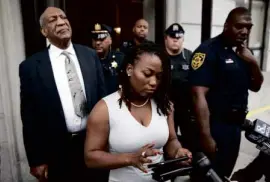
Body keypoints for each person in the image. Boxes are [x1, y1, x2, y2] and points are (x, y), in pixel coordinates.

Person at [19, 7, 106, 182]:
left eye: (63, 17)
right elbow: (29, 117)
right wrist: (36, 159)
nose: (61, 22)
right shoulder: (31, 66)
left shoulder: (90, 56)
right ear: (44, 31)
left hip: (94, 144)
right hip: (57, 151)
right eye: (53, 20)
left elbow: (103, 101)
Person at [84, 43, 192, 182]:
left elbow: (171, 140)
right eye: (147, 74)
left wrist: (178, 152)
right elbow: (91, 158)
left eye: (159, 76)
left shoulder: (164, 105)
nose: (154, 82)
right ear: (129, 69)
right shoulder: (104, 109)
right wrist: (130, 158)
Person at [189, 7, 264, 180]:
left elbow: (256, 86)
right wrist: (206, 136)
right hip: (215, 125)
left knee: (224, 174)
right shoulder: (208, 50)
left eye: (248, 27)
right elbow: (197, 95)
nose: (245, 31)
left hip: (235, 127)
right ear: (226, 26)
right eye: (239, 26)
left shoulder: (245, 53)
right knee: (207, 176)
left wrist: (253, 63)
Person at [164, 23, 195, 151]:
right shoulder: (159, 56)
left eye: (179, 37)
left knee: (191, 141)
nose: (175, 39)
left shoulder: (190, 56)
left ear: (183, 39)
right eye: (172, 37)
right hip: (164, 109)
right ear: (166, 38)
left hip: (186, 109)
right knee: (166, 142)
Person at [91, 23, 124, 95]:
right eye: (95, 39)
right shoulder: (87, 60)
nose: (97, 42)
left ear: (110, 40)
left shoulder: (120, 58)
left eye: (102, 39)